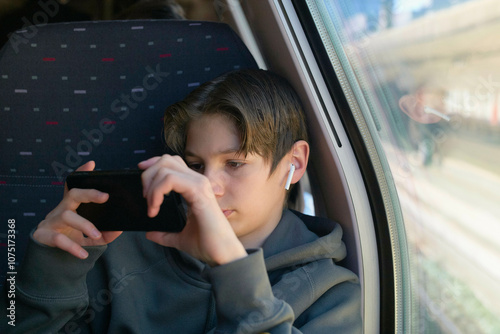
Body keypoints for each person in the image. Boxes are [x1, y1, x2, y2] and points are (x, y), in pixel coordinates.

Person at [4, 69, 361, 333]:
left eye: (235, 164)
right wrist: (51, 274)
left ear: (294, 163)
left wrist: (231, 267)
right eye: (195, 165)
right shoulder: (121, 247)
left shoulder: (332, 293)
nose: (208, 187)